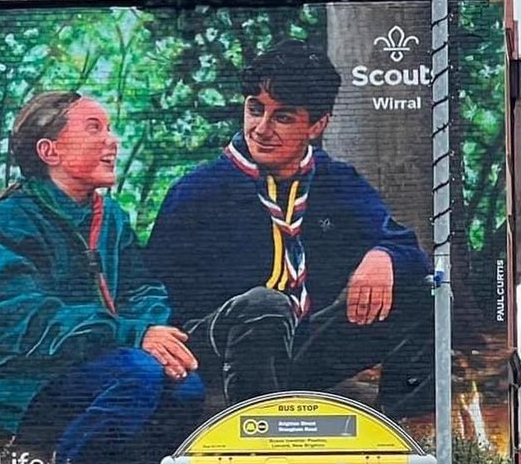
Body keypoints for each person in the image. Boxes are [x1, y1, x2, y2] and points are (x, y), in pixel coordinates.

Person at [146, 39, 433, 419]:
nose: (261, 129)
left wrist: (384, 256)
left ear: (317, 125)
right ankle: (258, 432)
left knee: (423, 292)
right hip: (214, 347)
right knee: (266, 305)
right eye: (255, 109)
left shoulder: (336, 182)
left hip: (297, 342)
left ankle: (405, 424)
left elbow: (405, 246)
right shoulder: (197, 190)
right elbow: (150, 288)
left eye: (282, 117)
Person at [0, 90, 203, 464]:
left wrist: (153, 334)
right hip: (22, 377)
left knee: (185, 386)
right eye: (94, 129)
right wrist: (132, 335)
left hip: (100, 359)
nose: (112, 141)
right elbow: (20, 319)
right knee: (139, 376)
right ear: (49, 151)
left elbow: (142, 288)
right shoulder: (5, 222)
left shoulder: (112, 217)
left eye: (109, 128)